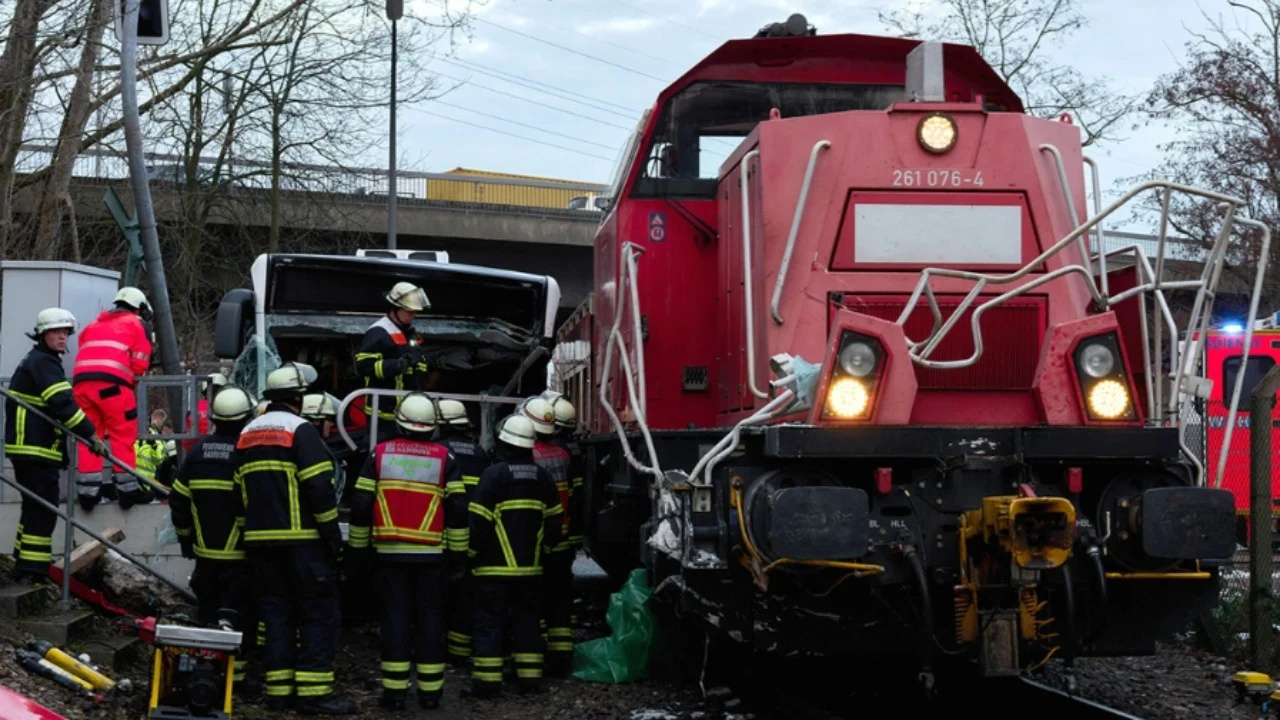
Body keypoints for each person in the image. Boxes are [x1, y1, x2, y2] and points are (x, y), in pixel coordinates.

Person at [233, 362, 354, 715]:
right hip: (302, 542)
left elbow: (238, 490)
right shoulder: (300, 430)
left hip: (259, 546)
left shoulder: (248, 433)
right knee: (317, 615)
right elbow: (319, 486)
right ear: (298, 399)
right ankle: (315, 695)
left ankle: (279, 693)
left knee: (276, 616)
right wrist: (332, 537)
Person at [348, 393, 467, 711]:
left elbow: (360, 505)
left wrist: (357, 553)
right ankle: (431, 694)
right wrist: (458, 558)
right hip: (432, 557)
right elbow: (458, 510)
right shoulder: (446, 459)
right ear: (432, 426)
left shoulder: (380, 454)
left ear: (400, 422)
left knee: (395, 621)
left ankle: (395, 693)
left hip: (388, 555)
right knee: (430, 621)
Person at [3, 309, 105, 584]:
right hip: (36, 449)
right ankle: (34, 572)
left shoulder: (38, 360)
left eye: (66, 332)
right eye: (56, 332)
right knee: (43, 510)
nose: (62, 337)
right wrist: (90, 433)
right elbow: (62, 404)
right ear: (43, 334)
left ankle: (23, 564)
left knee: (33, 508)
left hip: (30, 448)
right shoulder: (44, 363)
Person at [464, 414, 562, 699]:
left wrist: (470, 555)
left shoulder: (493, 475)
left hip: (493, 570)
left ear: (503, 443)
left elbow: (479, 522)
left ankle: (487, 684)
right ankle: (530, 681)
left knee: (489, 624)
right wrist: (546, 553)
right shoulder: (543, 477)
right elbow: (555, 522)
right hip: (531, 571)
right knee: (528, 623)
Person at [170, 384, 257, 687]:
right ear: (246, 418)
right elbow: (252, 504)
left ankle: (203, 676)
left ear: (216, 418)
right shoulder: (247, 454)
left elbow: (178, 500)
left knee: (206, 617)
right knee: (238, 616)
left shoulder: (196, 454)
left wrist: (185, 539)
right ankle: (239, 679)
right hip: (240, 557)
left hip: (205, 556)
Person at [72, 286, 153, 511]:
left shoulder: (92, 325)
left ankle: (88, 495)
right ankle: (128, 492)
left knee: (90, 438)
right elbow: (139, 362)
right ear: (138, 307)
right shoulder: (137, 324)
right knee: (122, 435)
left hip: (81, 385)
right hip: (113, 387)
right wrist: (133, 379)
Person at [436, 399, 491, 668]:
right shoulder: (480, 453)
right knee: (466, 594)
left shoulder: (439, 450)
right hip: (473, 533)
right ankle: (459, 650)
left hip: (442, 533)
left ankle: (437, 645)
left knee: (437, 594)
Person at [524, 398, 576, 677]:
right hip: (563, 538)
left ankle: (536, 655)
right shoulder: (563, 455)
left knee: (535, 599)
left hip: (538, 542)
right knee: (560, 599)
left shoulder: (530, 456)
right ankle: (563, 655)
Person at [354, 282, 433, 438]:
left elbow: (416, 363)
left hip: (408, 412)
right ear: (395, 308)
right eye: (409, 311)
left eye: (415, 312)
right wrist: (397, 365)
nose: (413, 315)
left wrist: (425, 365)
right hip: (383, 414)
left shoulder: (408, 332)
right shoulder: (379, 332)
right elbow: (364, 366)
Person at [184, 372, 229, 451]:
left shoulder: (194, 408)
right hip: (225, 449)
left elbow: (186, 441)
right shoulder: (230, 406)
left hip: (198, 452)